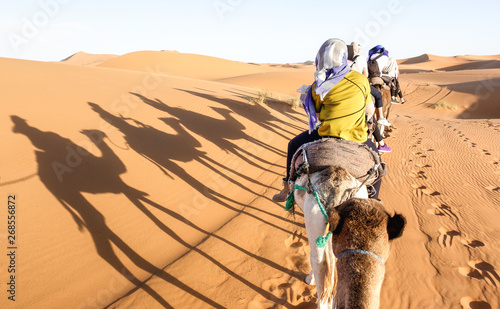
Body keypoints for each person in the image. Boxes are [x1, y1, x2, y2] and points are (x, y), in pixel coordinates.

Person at [273, 39, 382, 202]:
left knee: (293, 145)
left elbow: (316, 115)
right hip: (355, 136)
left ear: (320, 59)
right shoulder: (361, 80)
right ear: (344, 57)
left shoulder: (319, 84)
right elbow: (369, 110)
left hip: (325, 134)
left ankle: (287, 188)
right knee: (377, 163)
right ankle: (374, 201)